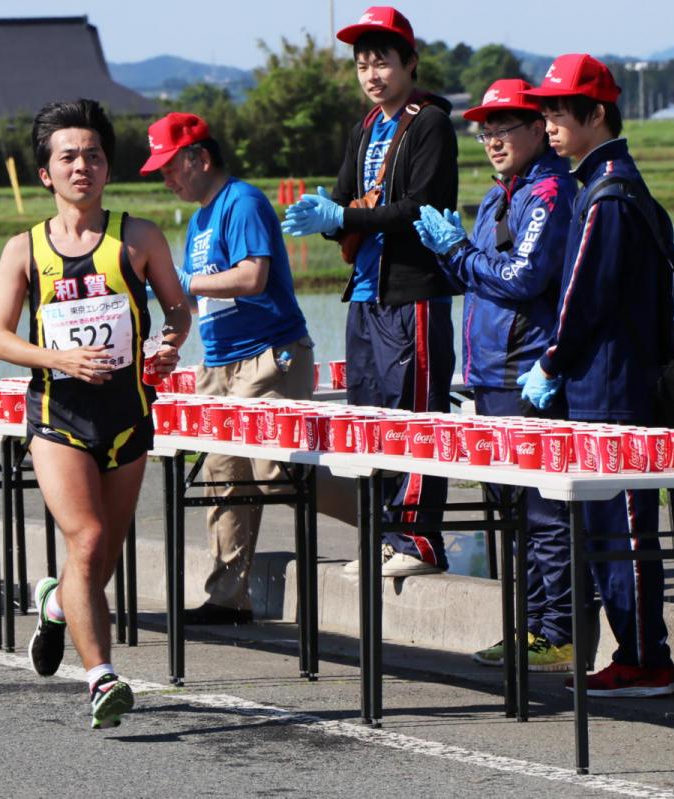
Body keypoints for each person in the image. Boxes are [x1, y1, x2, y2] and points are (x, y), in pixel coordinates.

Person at [0, 99, 190, 728]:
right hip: (59, 412)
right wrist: (60, 359)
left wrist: (168, 345)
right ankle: (102, 677)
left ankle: (54, 607)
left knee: (102, 556)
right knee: (89, 537)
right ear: (46, 173)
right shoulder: (24, 250)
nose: (83, 166)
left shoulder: (139, 236)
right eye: (68, 156)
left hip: (128, 413)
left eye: (94, 155)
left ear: (108, 166)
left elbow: (178, 310)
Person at [519, 54, 674, 697]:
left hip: (612, 386)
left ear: (597, 115)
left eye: (560, 112)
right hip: (602, 382)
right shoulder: (604, 183)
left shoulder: (607, 191)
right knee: (610, 526)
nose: (550, 125)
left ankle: (647, 660)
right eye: (548, 113)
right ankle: (634, 654)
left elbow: (583, 296)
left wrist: (550, 361)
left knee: (626, 527)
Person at [283, 5, 459, 577]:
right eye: (362, 64)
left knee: (416, 411)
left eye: (382, 61)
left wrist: (346, 216)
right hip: (366, 293)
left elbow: (417, 208)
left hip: (414, 290)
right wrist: (324, 216)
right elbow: (342, 202)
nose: (372, 74)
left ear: (410, 62)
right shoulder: (365, 128)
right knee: (371, 414)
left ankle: (419, 538)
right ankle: (384, 535)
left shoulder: (428, 123)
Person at [413, 79, 577, 671]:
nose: (492, 140)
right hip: (489, 374)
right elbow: (476, 276)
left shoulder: (551, 192)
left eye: (504, 127)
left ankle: (557, 630)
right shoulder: (499, 196)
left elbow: (523, 277)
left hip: (526, 371)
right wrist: (447, 252)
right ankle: (532, 628)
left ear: (539, 127)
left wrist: (457, 252)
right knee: (513, 510)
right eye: (484, 130)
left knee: (542, 511)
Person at [140, 111, 315, 625]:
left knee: (274, 469)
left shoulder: (242, 202)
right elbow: (203, 298)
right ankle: (226, 597)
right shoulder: (200, 219)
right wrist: (170, 337)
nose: (167, 179)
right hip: (220, 362)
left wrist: (182, 283)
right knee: (223, 478)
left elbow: (251, 277)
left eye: (171, 167)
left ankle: (380, 519)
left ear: (200, 157)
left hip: (268, 355)